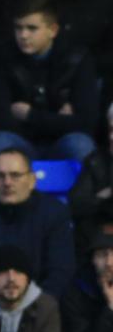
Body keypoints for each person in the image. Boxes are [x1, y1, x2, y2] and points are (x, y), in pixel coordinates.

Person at [0, 0, 98, 164]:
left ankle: (81, 192)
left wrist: (30, 115)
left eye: (32, 28)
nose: (23, 35)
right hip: (21, 146)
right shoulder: (4, 58)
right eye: (18, 27)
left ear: (53, 30)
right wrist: (61, 121)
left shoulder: (78, 58)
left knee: (81, 145)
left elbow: (87, 123)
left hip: (61, 144)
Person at [0, 148, 74, 299]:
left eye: (15, 175)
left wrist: (36, 308)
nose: (7, 182)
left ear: (32, 180)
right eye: (0, 175)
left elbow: (60, 272)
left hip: (40, 310)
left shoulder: (54, 214)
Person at [60, 225, 113, 332]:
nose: (109, 263)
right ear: (92, 259)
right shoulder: (76, 293)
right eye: (102, 255)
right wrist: (109, 310)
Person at [68, 103, 113, 255]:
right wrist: (103, 198)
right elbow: (76, 205)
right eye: (111, 129)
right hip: (97, 242)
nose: (112, 136)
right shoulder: (96, 161)